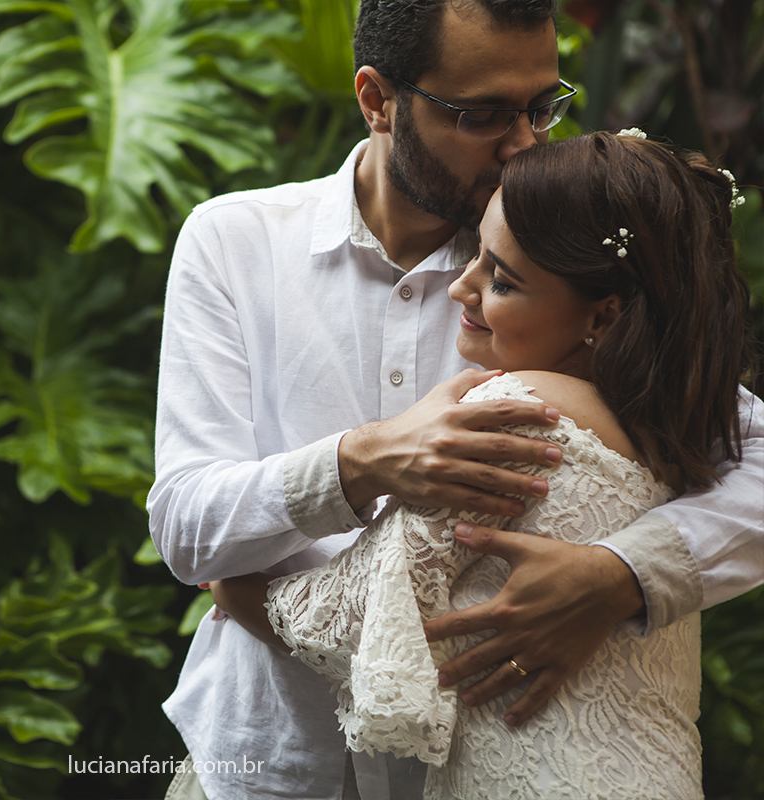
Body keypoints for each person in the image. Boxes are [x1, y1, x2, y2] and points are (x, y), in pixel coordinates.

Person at [146, 1, 764, 798]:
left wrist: (622, 575)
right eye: (483, 116)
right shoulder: (234, 242)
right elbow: (187, 525)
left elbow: (754, 456)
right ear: (377, 100)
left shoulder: (560, 257)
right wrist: (366, 460)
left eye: (543, 107)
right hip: (263, 761)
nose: (525, 143)